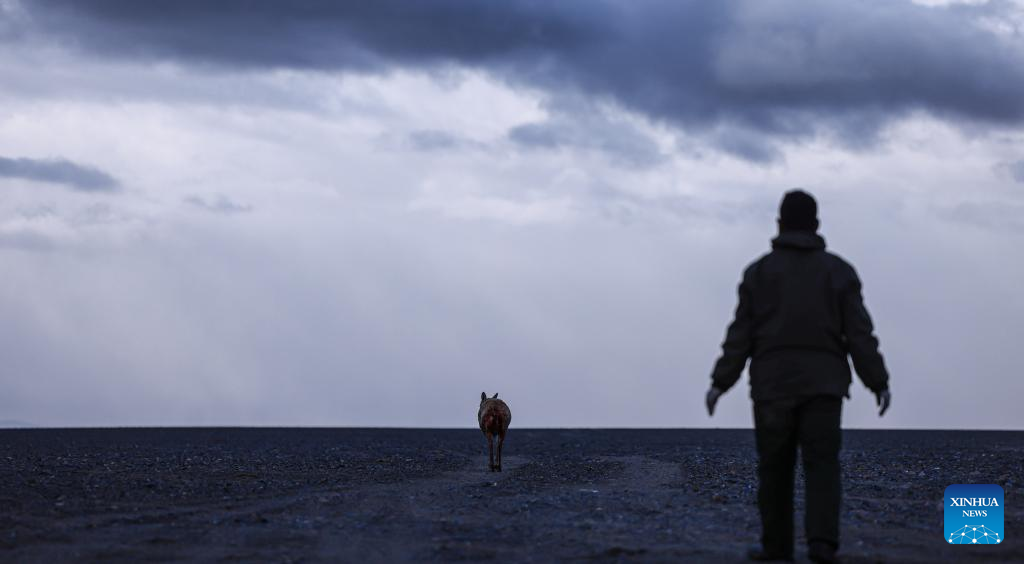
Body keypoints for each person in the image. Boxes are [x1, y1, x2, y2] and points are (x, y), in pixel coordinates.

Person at [705, 189, 891, 564]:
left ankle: (777, 549)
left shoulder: (758, 273)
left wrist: (720, 382)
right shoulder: (839, 271)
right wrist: (877, 380)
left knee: (774, 468)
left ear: (779, 224)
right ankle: (822, 546)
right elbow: (859, 333)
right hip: (824, 386)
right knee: (822, 465)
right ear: (817, 225)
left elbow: (740, 335)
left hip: (772, 387)